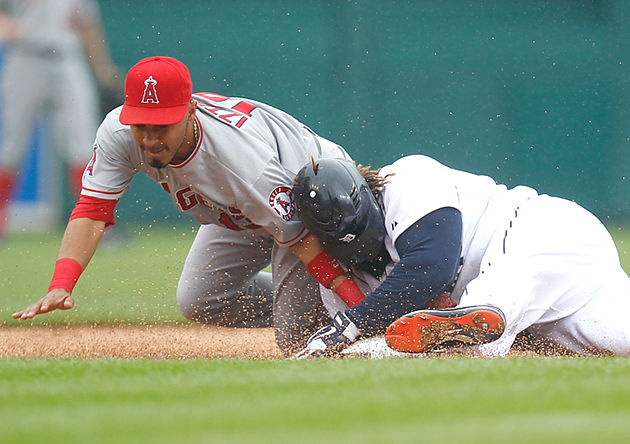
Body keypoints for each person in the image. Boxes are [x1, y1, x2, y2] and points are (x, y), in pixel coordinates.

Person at [11, 55, 370, 356]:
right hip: (239, 209)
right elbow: (92, 210)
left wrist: (361, 307)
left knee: (294, 340)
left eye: (162, 126)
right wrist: (62, 284)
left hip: (311, 198)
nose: (149, 138)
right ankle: (319, 311)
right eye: (141, 124)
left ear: (190, 111)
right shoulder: (119, 133)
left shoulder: (238, 160)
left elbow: (300, 240)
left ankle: (370, 304)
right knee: (200, 300)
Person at [291, 155, 630, 358]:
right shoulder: (343, 284)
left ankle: (475, 321)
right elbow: (391, 330)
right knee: (619, 336)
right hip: (547, 309)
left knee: (489, 305)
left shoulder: (406, 179)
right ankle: (467, 329)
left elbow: (432, 267)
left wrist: (349, 328)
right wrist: (341, 349)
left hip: (547, 233)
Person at [0, 0, 121, 239]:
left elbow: (88, 24)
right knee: (10, 146)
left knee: (82, 145)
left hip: (67, 58)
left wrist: (102, 69)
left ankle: (95, 224)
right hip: (26, 57)